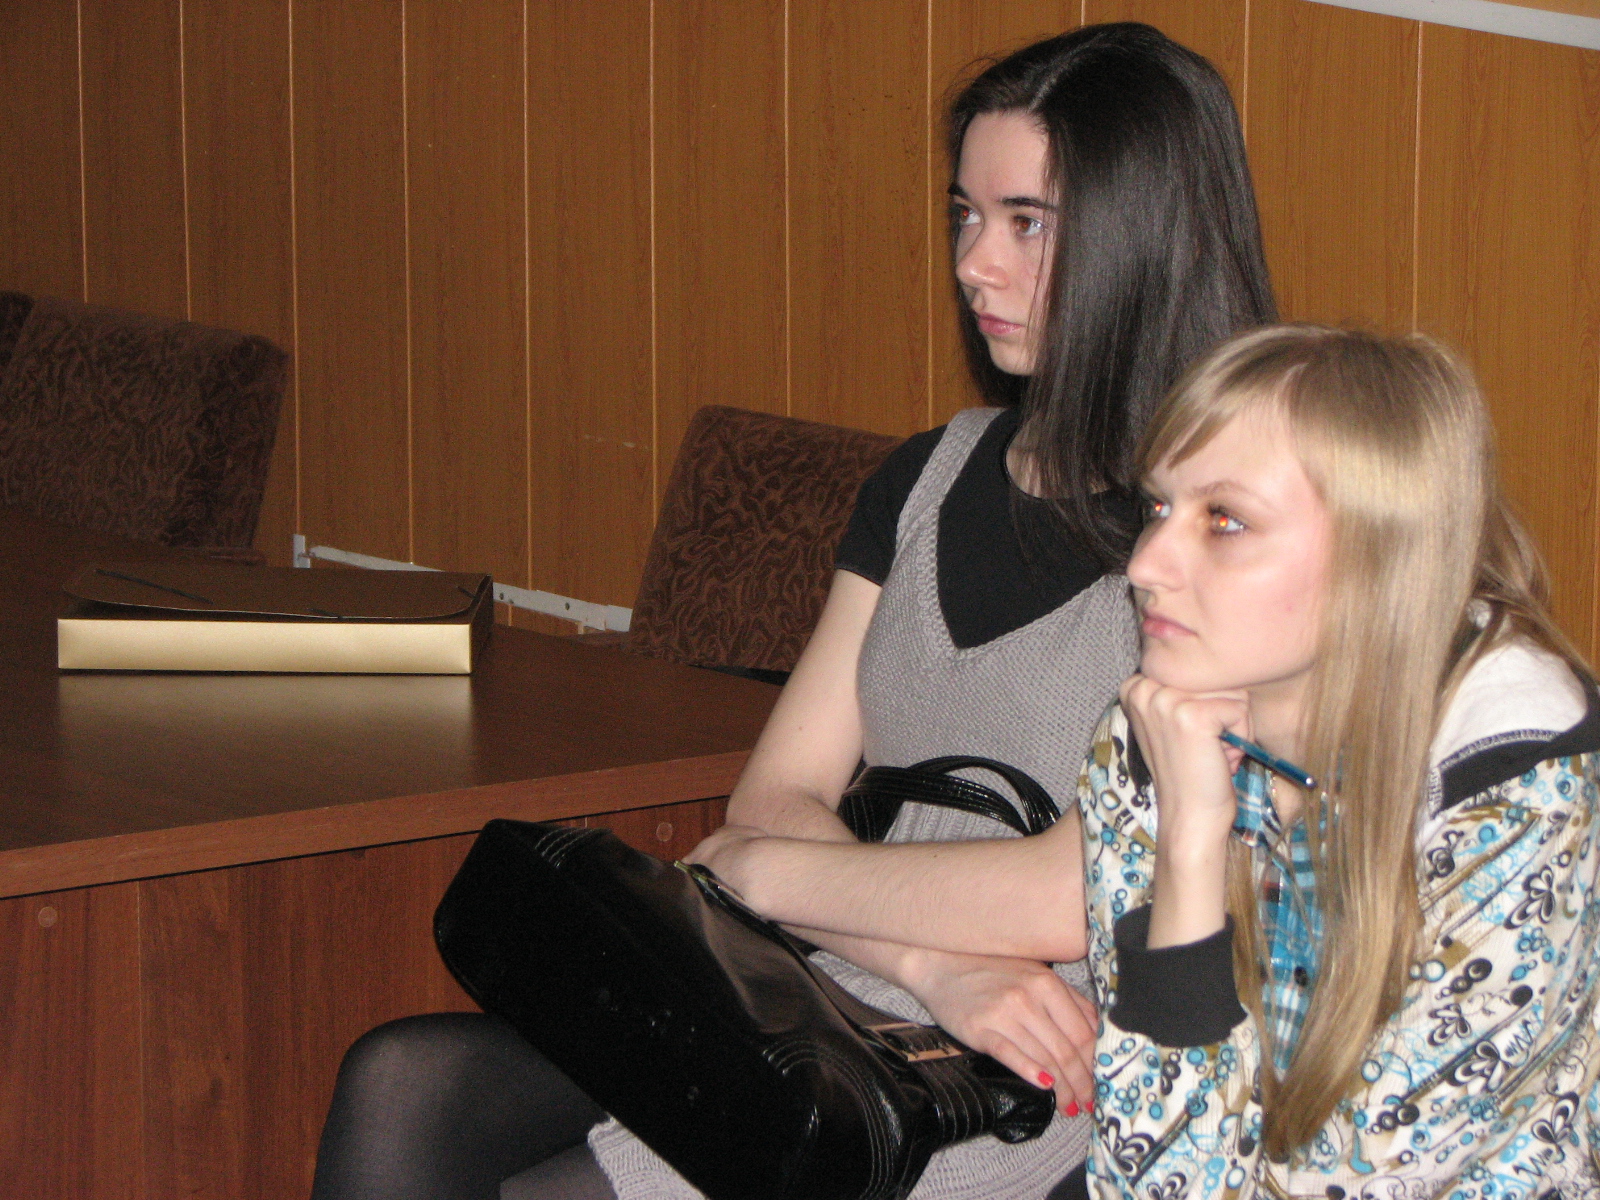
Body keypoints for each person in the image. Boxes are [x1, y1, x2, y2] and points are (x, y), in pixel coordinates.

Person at [309, 22, 1276, 1200]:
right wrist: (927, 961)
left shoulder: (1228, 524)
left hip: (1042, 1056)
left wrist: (767, 877)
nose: (975, 263)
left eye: (1026, 222)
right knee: (404, 1082)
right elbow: (774, 795)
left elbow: (1069, 892)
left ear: (1144, 237)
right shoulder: (928, 476)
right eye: (965, 216)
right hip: (857, 978)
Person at [1082, 325, 1600, 1197]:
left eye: (1225, 520)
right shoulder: (1157, 733)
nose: (1143, 564)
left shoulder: (1519, 775)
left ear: (1379, 554)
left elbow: (1368, 1177)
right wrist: (1192, 844)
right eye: (1159, 508)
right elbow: (1146, 1170)